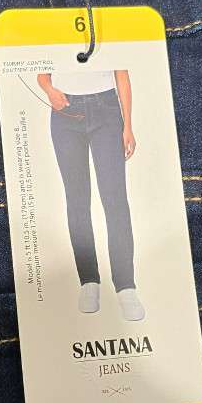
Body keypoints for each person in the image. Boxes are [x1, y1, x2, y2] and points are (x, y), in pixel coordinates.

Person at [36, 66, 144, 321]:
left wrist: (128, 125)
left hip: (106, 109)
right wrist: (49, 90)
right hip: (64, 112)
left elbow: (122, 73)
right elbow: (41, 71)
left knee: (115, 200)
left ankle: (126, 287)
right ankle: (88, 282)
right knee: (77, 200)